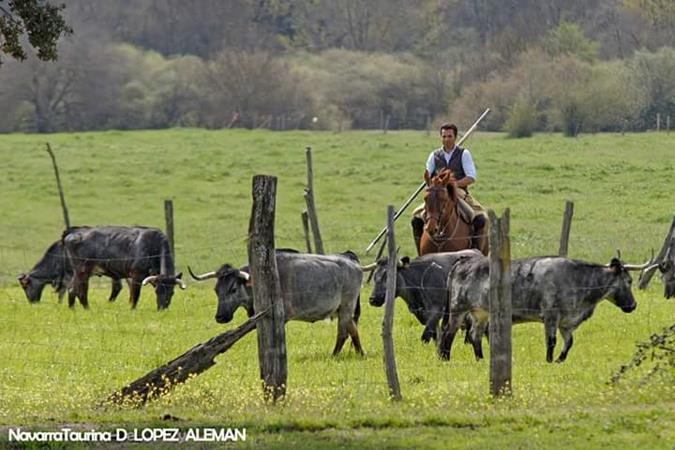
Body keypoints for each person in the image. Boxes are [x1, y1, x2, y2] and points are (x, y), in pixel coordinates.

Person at [411, 122, 488, 254]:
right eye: (444, 136)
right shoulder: (434, 155)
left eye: (450, 136)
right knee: (416, 217)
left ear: (455, 137)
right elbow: (428, 173)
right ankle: (420, 253)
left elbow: (471, 177)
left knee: (481, 218)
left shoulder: (464, 154)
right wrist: (431, 181)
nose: (447, 139)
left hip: (458, 191)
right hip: (438, 191)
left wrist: (453, 184)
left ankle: (477, 252)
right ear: (441, 137)